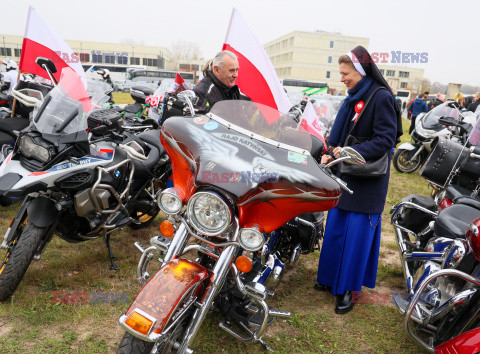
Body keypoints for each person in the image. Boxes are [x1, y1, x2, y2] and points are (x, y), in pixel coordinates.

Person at [315, 46, 398, 315]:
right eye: (340, 73)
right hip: (345, 174)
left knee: (356, 240)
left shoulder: (381, 97)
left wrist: (351, 152)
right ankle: (329, 280)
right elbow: (340, 135)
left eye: (345, 73)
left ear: (361, 71)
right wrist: (330, 153)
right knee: (337, 230)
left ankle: (348, 291)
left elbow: (386, 139)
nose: (341, 78)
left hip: (367, 182)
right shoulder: (352, 98)